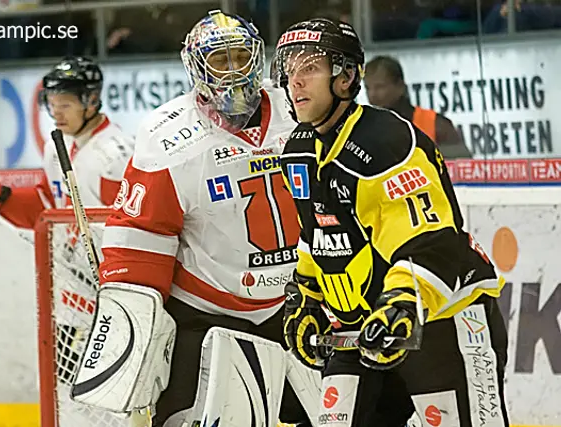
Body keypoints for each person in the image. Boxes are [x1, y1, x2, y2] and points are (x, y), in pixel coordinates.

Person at [272, 18, 510, 427]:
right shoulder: (296, 149)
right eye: (290, 68)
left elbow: (430, 241)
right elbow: (318, 234)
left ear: (346, 76)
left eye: (309, 67)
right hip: (358, 325)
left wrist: (400, 302)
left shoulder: (389, 141)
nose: (295, 81)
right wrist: (307, 294)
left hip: (441, 318)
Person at [95, 10, 314, 427]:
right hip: (207, 310)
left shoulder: (298, 111)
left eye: (240, 57)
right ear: (197, 68)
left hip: (300, 302)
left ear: (259, 58)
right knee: (186, 419)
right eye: (220, 60)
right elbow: (141, 233)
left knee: (342, 412)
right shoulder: (167, 135)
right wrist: (133, 316)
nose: (233, 72)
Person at [0, 56, 135, 382]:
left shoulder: (113, 157)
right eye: (52, 103)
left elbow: (137, 226)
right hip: (76, 292)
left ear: (90, 100)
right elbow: (48, 207)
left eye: (66, 104)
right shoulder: (57, 146)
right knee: (69, 384)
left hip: (116, 293)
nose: (56, 112)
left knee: (115, 385)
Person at [364, 55, 472, 159]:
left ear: (400, 86)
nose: (372, 94)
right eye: (367, 88)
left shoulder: (436, 125)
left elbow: (462, 168)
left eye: (380, 87)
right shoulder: (364, 130)